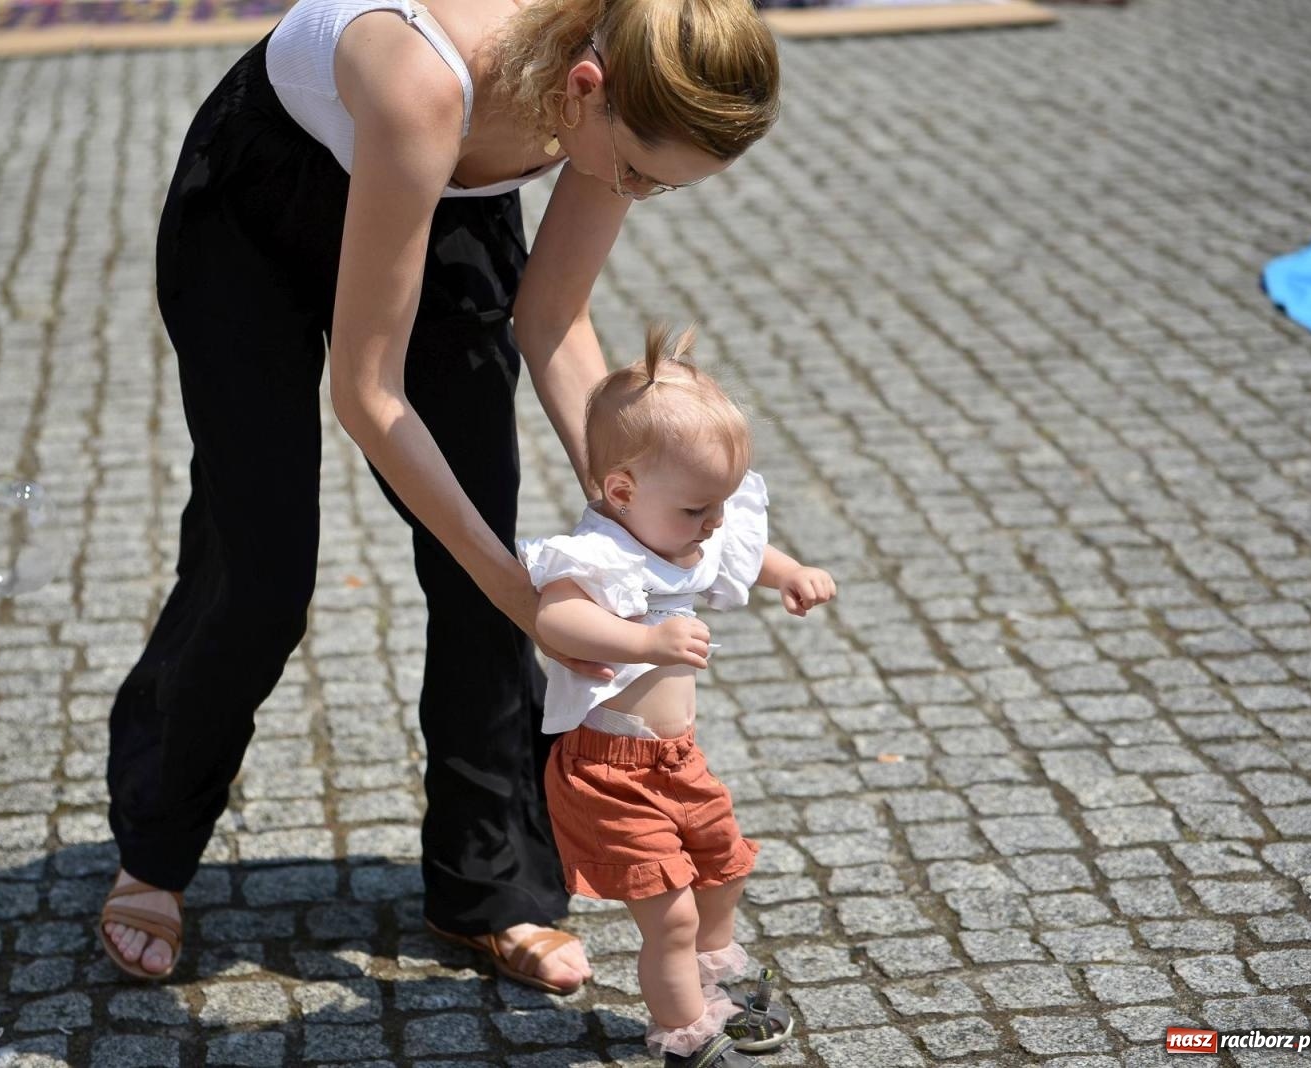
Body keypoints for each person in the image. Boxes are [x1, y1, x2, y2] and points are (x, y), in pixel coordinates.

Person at [97, 0, 781, 990]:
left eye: (659, 187)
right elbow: (368, 398)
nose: (636, 192)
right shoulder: (427, 77)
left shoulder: (629, 64)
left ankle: (487, 887)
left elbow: (549, 318)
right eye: (637, 172)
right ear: (581, 92)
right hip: (256, 209)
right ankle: (153, 851)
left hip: (448, 209)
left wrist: (633, 509)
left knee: (488, 563)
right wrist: (522, 597)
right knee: (260, 571)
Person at [518, 324, 836, 1065]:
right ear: (622, 490)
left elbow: (741, 552)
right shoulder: (596, 556)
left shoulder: (684, 533)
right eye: (698, 508)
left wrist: (787, 573)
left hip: (677, 761)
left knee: (725, 867)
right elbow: (557, 616)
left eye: (721, 503)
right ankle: (685, 1034)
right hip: (609, 772)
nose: (715, 523)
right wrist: (645, 642)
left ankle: (711, 975)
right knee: (673, 915)